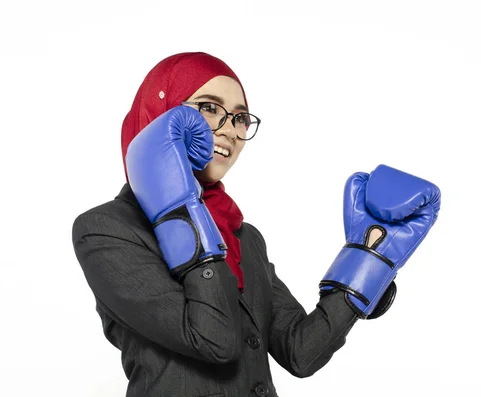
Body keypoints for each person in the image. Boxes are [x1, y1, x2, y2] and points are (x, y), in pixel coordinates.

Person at [72, 51, 441, 397]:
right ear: (159, 115)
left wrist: (369, 258)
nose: (230, 130)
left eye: (240, 117)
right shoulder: (105, 229)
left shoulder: (242, 237)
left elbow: (301, 352)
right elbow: (213, 339)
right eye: (208, 108)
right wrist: (175, 205)